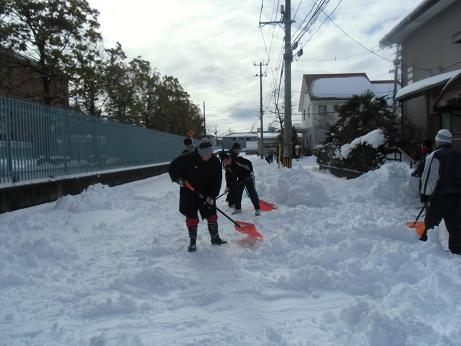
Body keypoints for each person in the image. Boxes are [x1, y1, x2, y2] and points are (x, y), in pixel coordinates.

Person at [169, 138, 226, 252]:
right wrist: (179, 180)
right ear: (200, 153)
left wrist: (212, 195)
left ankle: (215, 238)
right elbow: (173, 167)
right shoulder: (188, 158)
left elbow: (217, 180)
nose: (208, 157)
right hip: (189, 193)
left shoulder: (214, 161)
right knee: (191, 217)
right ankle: (193, 242)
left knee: (211, 214)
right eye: (205, 155)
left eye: (210, 154)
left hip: (207, 193)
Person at [420, 129, 461, 254]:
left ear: (438, 140)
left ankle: (425, 247)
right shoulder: (458, 155)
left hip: (441, 195)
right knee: (455, 224)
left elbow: (429, 177)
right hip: (457, 195)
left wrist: (425, 194)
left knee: (431, 222)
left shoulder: (435, 155)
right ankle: (457, 249)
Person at [226, 142, 261, 216]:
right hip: (241, 178)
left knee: (252, 192)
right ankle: (238, 209)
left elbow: (249, 164)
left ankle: (257, 209)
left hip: (248, 177)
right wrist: (229, 186)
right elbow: (231, 175)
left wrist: (250, 172)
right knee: (238, 192)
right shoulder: (229, 166)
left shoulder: (238, 160)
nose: (226, 162)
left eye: (227, 161)